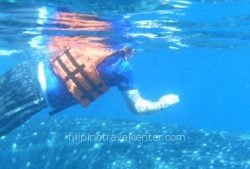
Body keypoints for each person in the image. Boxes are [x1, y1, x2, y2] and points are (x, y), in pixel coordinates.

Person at [0, 12, 179, 137]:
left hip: (24, 70)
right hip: (34, 94)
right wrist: (163, 103)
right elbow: (138, 108)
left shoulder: (90, 39)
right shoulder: (122, 68)